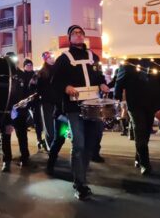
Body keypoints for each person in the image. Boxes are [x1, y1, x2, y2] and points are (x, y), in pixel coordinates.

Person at [50, 25, 110, 200]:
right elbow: (55, 81)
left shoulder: (93, 56)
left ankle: (82, 176)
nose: (78, 35)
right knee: (79, 145)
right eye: (74, 33)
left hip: (93, 106)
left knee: (91, 144)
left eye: (80, 33)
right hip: (74, 108)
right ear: (70, 38)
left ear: (84, 37)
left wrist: (102, 84)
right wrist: (65, 87)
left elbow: (99, 76)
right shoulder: (63, 58)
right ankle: (80, 183)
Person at [115, 58, 158, 175]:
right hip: (135, 103)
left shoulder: (154, 62)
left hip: (150, 103)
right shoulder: (128, 63)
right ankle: (145, 163)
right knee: (140, 130)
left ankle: (138, 157)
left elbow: (159, 82)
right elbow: (119, 81)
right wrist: (117, 97)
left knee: (146, 132)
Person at [1, 59, 35, 172]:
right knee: (6, 136)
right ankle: (6, 160)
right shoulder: (2, 74)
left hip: (20, 110)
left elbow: (29, 91)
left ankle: (25, 157)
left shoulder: (22, 75)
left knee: (22, 135)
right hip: (6, 111)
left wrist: (26, 102)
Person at [36, 51, 62, 175]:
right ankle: (49, 146)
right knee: (48, 126)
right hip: (46, 103)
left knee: (58, 126)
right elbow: (36, 88)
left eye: (53, 57)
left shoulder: (57, 70)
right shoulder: (41, 73)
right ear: (45, 59)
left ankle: (53, 147)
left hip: (57, 102)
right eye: (50, 57)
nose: (52, 59)